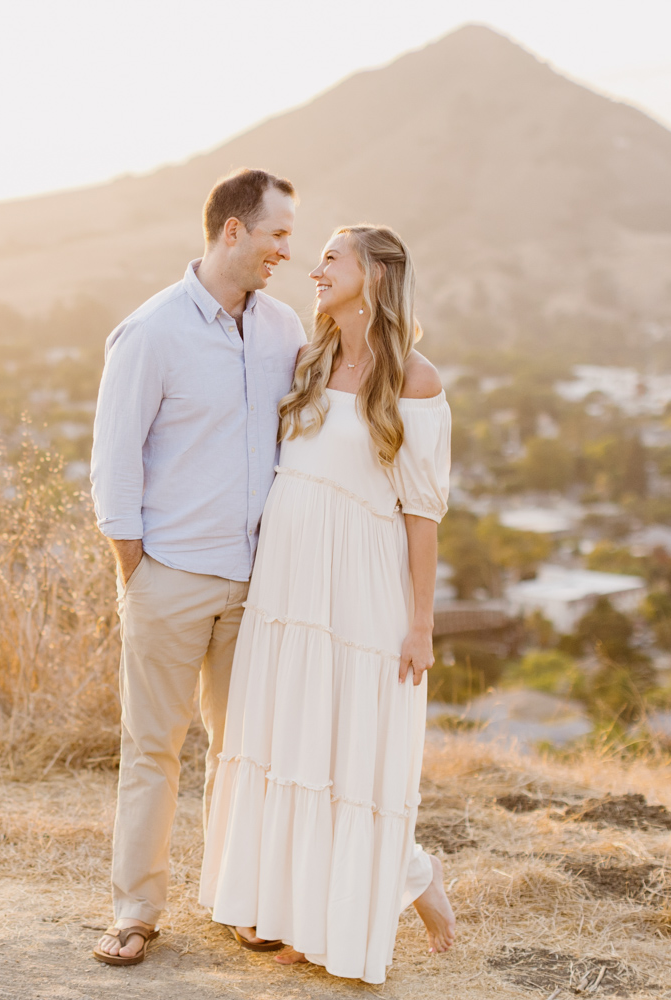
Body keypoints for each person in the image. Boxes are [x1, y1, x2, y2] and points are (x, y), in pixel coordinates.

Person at [199, 224, 458, 984]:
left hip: (362, 586)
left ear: (374, 274)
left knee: (347, 745)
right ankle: (290, 911)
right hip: (289, 582)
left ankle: (407, 878)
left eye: (333, 259)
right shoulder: (309, 358)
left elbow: (422, 511)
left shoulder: (413, 378)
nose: (316, 269)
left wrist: (420, 624)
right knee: (289, 739)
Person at [88, 168, 306, 966]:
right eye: (279, 233)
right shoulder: (151, 331)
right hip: (169, 577)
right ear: (233, 231)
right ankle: (135, 911)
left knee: (243, 752)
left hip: (257, 583)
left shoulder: (285, 330)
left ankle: (240, 903)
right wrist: (134, 571)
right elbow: (113, 462)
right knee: (152, 749)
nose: (289, 249)